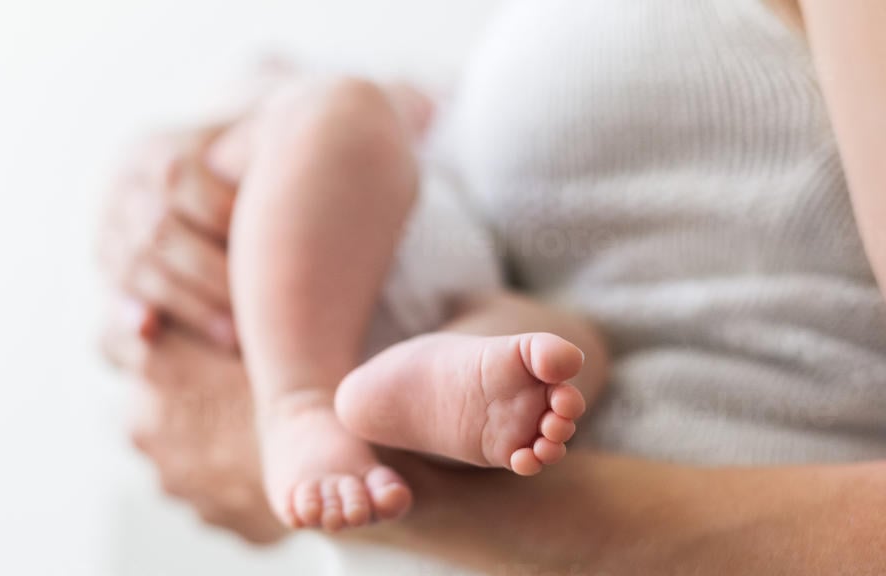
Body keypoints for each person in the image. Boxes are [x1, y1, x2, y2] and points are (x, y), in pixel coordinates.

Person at [101, 0, 886, 576]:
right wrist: (179, 180)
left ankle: (304, 404)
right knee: (535, 332)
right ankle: (362, 388)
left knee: (550, 351)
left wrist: (413, 495)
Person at [208, 75, 598, 532]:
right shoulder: (287, 113)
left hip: (447, 290)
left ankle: (436, 384)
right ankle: (299, 401)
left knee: (570, 348)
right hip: (297, 281)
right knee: (341, 105)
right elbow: (212, 159)